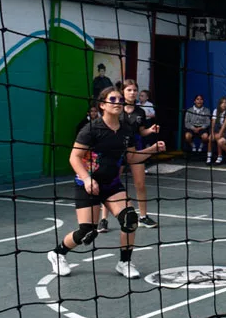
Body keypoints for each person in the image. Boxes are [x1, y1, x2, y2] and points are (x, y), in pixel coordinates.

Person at [47, 86, 166, 279]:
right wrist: (86, 178)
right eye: (113, 99)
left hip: (111, 184)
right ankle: (58, 253)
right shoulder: (91, 129)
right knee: (87, 233)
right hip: (88, 186)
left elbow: (132, 158)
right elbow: (74, 158)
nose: (118, 102)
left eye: (120, 99)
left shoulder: (126, 130)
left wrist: (152, 149)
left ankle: (124, 262)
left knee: (130, 219)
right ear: (102, 105)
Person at [115, 80, 160, 229]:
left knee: (140, 184)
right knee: (111, 183)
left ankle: (143, 216)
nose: (133, 93)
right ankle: (103, 219)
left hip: (135, 148)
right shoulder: (116, 108)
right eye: (129, 90)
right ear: (123, 92)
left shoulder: (140, 111)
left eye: (135, 90)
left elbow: (142, 131)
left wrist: (151, 130)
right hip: (116, 149)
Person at [210, 97, 226, 164]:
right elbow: (213, 123)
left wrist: (220, 133)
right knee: (210, 138)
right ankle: (209, 157)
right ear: (219, 104)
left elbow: (225, 123)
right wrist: (212, 133)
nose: (224, 104)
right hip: (217, 128)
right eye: (222, 103)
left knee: (219, 139)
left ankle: (220, 156)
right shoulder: (216, 111)